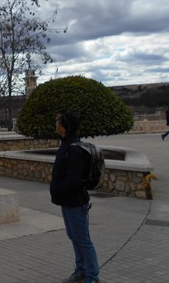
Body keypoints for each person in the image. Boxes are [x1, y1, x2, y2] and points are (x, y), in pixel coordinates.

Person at [51, 112, 100, 283]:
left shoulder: (74, 149)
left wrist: (57, 190)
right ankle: (81, 270)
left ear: (65, 127)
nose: (55, 125)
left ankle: (92, 276)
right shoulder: (67, 145)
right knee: (74, 237)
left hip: (76, 201)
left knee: (83, 240)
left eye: (58, 122)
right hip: (67, 201)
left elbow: (74, 179)